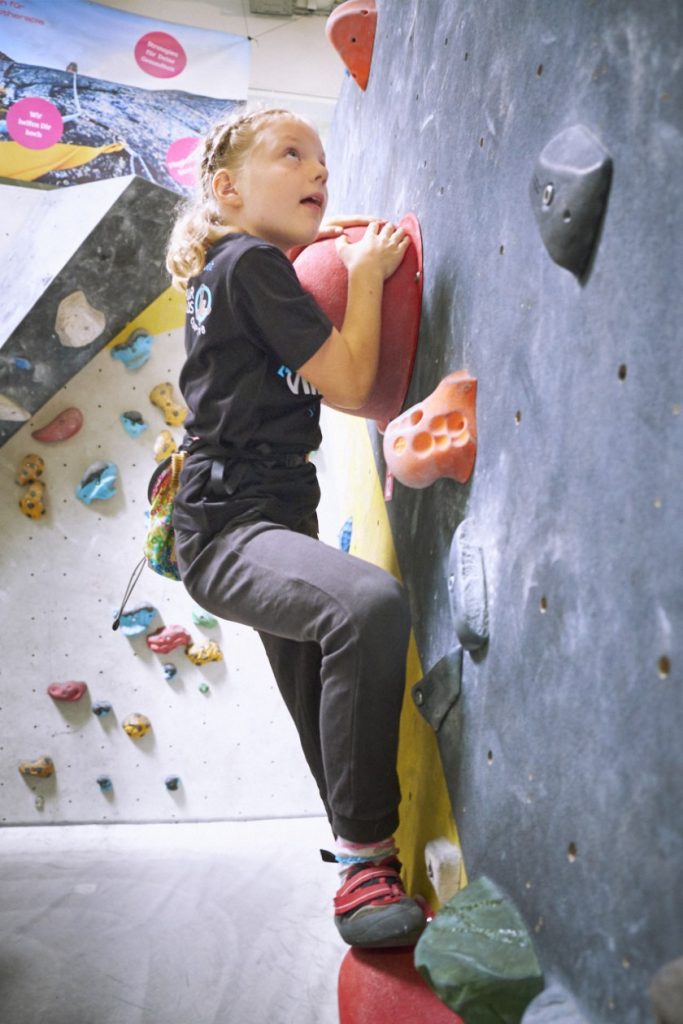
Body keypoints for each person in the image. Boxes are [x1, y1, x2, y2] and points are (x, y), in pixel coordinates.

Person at [166, 108, 425, 948]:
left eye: (321, 159)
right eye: (290, 155)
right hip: (234, 525)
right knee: (366, 607)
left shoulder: (235, 265)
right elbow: (350, 385)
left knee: (320, 695)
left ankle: (363, 860)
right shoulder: (246, 264)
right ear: (226, 189)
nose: (317, 171)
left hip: (247, 517)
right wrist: (365, 270)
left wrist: (321, 248)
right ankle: (362, 867)